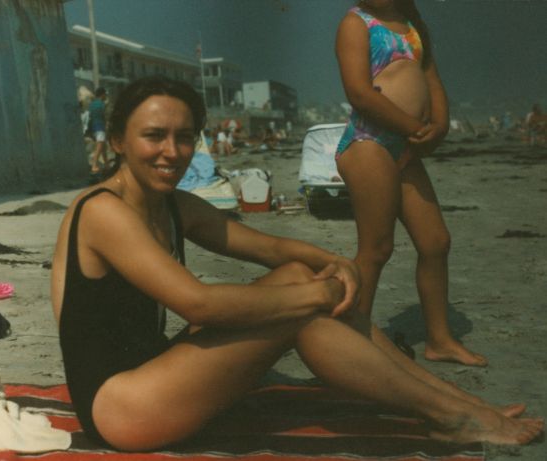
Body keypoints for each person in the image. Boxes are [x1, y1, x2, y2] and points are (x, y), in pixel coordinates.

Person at [51, 76, 542, 451]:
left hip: (154, 375)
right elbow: (197, 304)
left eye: (184, 137)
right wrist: (320, 294)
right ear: (117, 140)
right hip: (120, 408)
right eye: (153, 136)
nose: (172, 152)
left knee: (296, 279)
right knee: (300, 311)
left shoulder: (172, 205)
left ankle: (459, 405)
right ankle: (449, 416)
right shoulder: (103, 212)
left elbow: (272, 250)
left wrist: (332, 263)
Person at [334, 0, 487, 366]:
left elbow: (432, 81)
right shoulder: (357, 23)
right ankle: (354, 342)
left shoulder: (412, 25)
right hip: (368, 143)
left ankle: (440, 340)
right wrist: (415, 128)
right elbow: (359, 92)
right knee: (376, 249)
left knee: (435, 241)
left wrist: (440, 126)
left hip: (405, 149)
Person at [89, 87, 108, 173]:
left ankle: (107, 165)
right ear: (102, 94)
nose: (106, 96)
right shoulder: (102, 104)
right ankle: (94, 165)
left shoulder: (92, 104)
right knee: (100, 146)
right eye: (105, 94)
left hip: (94, 127)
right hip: (100, 126)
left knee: (103, 146)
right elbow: (105, 116)